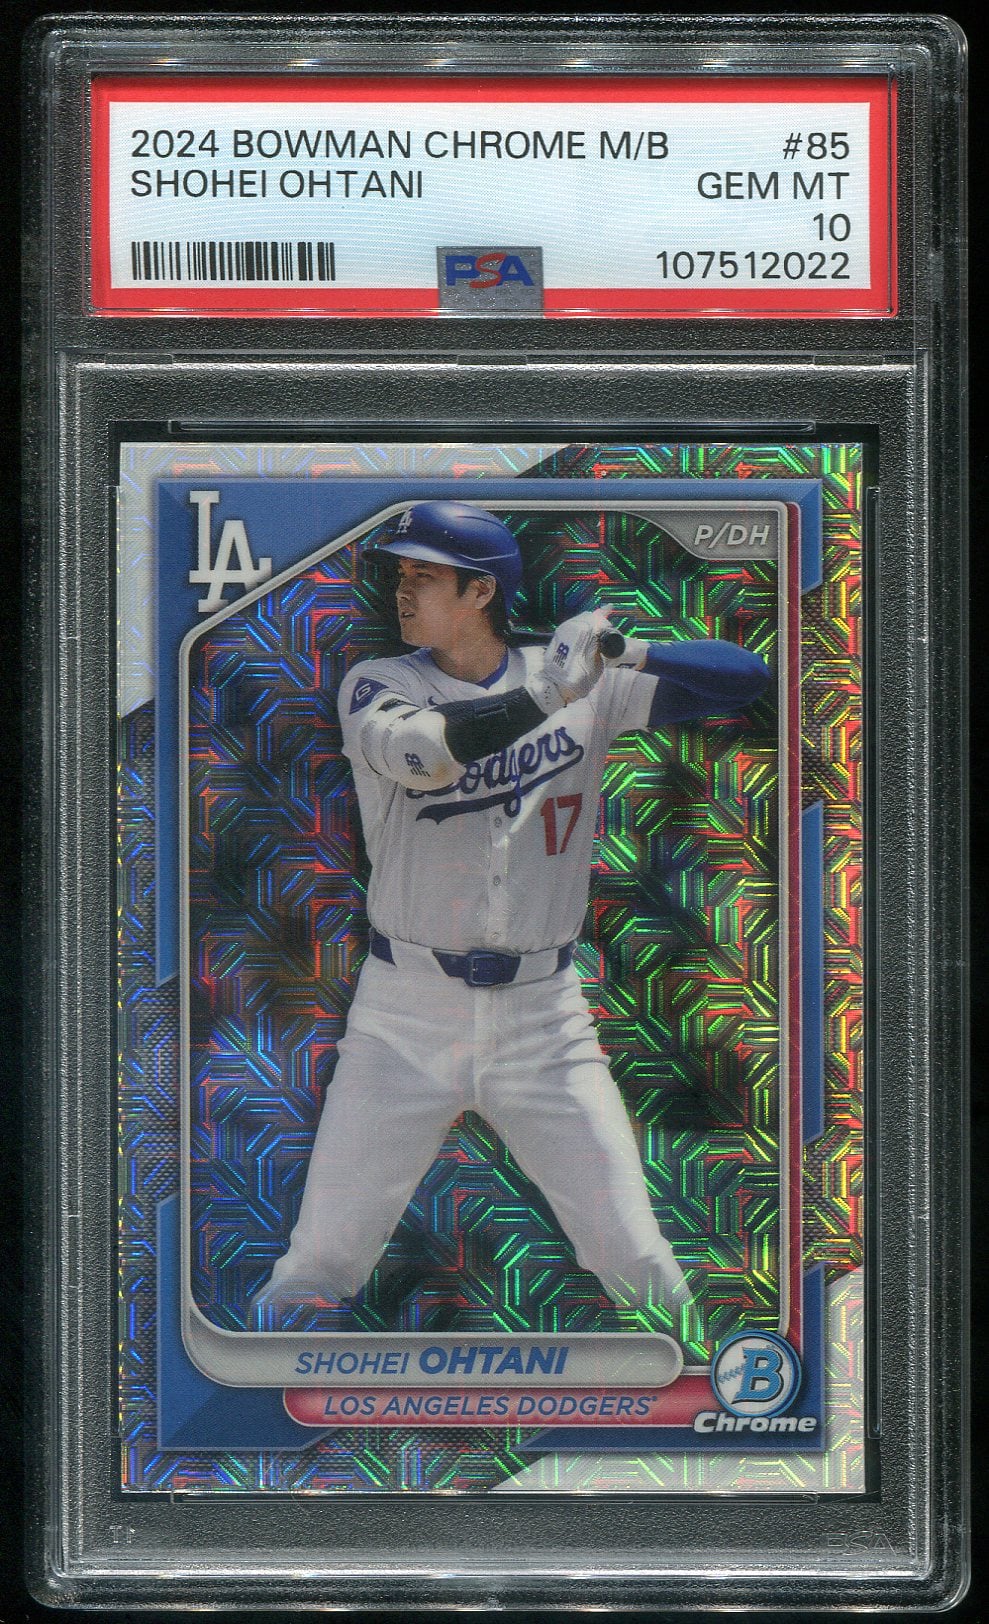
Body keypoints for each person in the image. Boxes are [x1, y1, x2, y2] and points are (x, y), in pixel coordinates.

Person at [251, 500, 771, 1329]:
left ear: (481, 590)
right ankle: (243, 1394)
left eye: (424, 575)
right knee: (320, 1260)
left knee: (638, 1258)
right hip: (403, 1017)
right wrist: (548, 691)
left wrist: (624, 652)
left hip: (544, 1021)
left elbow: (747, 679)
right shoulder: (380, 683)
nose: (402, 590)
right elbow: (423, 752)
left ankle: (710, 1391)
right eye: (401, 574)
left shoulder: (581, 681)